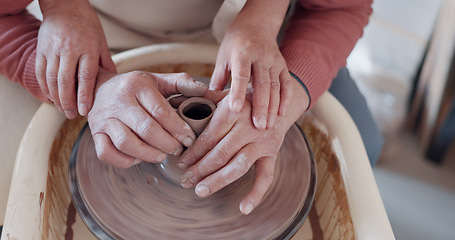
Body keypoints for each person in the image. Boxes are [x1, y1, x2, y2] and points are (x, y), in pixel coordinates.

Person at [0, 0, 380, 215]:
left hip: (259, 41)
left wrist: (281, 92)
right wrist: (89, 81)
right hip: (94, 41)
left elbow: (341, 7)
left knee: (362, 146)